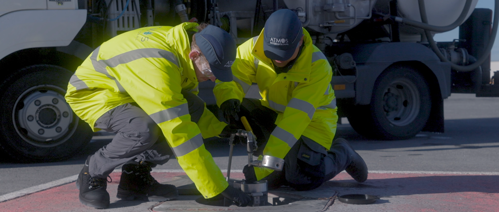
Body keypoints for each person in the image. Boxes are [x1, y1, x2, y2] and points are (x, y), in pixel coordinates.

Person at [65, 22, 251, 209]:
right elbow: (179, 131)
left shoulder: (184, 49)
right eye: (211, 71)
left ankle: (135, 179)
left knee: (190, 105)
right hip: (93, 92)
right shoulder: (158, 64)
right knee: (143, 128)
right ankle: (93, 172)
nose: (213, 79)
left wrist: (221, 129)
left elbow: (187, 109)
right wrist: (217, 187)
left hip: (128, 91)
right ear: (194, 55)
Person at [213, 9, 368, 191]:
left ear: (300, 41)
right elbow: (231, 78)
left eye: (284, 53)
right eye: (273, 52)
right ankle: (279, 169)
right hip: (278, 117)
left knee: (301, 178)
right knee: (240, 108)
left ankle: (343, 153)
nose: (278, 59)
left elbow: (294, 121)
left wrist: (264, 168)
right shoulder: (254, 48)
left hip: (311, 125)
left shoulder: (317, 66)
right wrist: (228, 99)